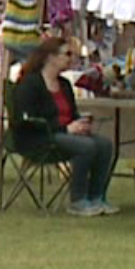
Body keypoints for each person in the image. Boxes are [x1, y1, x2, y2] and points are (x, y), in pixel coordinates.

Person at [11, 37, 117, 216]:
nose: (71, 59)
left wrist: (82, 124)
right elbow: (28, 120)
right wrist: (66, 129)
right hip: (39, 137)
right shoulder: (30, 84)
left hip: (66, 134)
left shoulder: (65, 85)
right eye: (67, 54)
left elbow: (72, 114)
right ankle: (78, 200)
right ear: (50, 57)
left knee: (105, 144)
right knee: (87, 147)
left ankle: (96, 197)